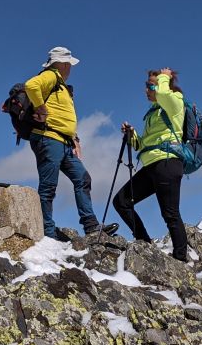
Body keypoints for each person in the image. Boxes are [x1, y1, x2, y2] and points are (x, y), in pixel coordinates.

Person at [25, 46, 111, 241]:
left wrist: (74, 138)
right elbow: (31, 85)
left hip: (63, 141)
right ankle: (47, 233)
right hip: (49, 138)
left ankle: (91, 225)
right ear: (63, 64)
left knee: (83, 178)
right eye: (69, 64)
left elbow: (62, 116)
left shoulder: (61, 85)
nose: (71, 68)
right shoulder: (51, 76)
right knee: (49, 186)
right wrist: (40, 107)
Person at [114, 67, 189, 262]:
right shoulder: (153, 112)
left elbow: (164, 94)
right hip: (151, 165)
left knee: (170, 214)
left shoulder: (175, 101)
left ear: (162, 84)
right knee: (121, 202)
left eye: (149, 85)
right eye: (146, 85)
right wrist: (132, 135)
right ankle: (145, 243)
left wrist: (165, 76)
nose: (145, 89)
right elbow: (142, 145)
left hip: (167, 162)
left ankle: (181, 258)